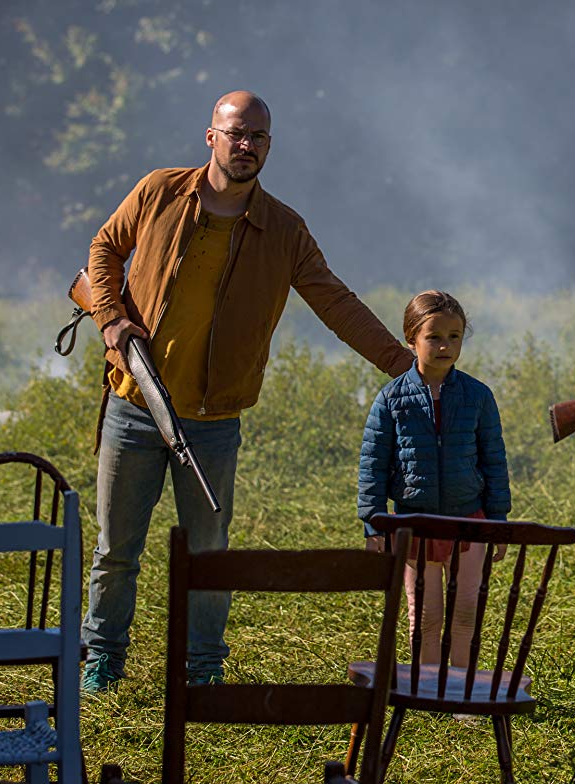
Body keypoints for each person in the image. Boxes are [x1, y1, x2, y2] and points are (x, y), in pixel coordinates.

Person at [81, 91, 414, 692]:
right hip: (136, 403)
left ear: (268, 146)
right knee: (115, 549)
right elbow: (104, 249)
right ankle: (101, 660)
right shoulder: (158, 191)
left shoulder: (283, 230)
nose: (246, 145)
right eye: (236, 133)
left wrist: (402, 363)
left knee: (210, 554)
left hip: (212, 420)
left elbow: (335, 302)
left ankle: (203, 668)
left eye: (258, 137)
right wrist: (109, 315)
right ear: (211, 136)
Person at [357, 291, 510, 662]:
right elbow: (373, 465)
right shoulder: (391, 399)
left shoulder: (478, 396)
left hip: (469, 522)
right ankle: (424, 693)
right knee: (425, 617)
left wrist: (498, 522)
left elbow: (494, 461)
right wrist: (374, 525)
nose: (445, 346)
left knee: (466, 614)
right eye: (434, 337)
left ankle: (460, 696)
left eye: (454, 336)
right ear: (412, 339)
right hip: (415, 524)